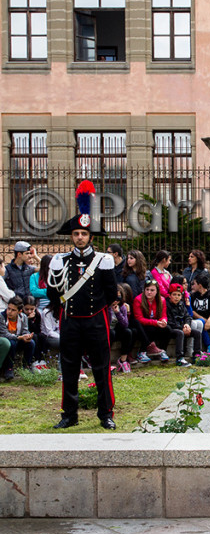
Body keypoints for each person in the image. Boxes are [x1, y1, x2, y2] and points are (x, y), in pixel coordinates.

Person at [46, 181, 118, 429]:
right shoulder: (59, 261)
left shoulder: (104, 261)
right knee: (69, 369)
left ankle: (106, 414)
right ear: (72, 236)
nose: (79, 237)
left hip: (96, 321)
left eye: (83, 234)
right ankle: (69, 415)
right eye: (76, 234)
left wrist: (97, 311)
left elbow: (111, 294)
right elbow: (53, 294)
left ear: (90, 236)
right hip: (70, 322)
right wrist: (63, 313)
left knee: (101, 368)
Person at [132, 279, 171, 362]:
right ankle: (142, 352)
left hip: (155, 323)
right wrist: (156, 322)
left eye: (152, 290)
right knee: (150, 328)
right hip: (143, 325)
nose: (149, 292)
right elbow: (139, 318)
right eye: (147, 290)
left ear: (157, 291)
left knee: (167, 329)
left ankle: (162, 351)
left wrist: (164, 321)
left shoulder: (162, 300)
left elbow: (163, 315)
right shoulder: (138, 300)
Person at [0, 296, 36, 378]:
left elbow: (25, 330)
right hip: (8, 340)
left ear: (19, 311)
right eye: (8, 308)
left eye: (13, 310)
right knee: (11, 343)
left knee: (31, 343)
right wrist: (19, 337)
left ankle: (26, 367)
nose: (9, 312)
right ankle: (8, 368)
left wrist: (27, 336)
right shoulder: (2, 317)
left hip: (18, 339)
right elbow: (4, 334)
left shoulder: (23, 317)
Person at [190, 270, 210, 354]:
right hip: (200, 318)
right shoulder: (193, 296)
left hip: (209, 318)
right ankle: (209, 346)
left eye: (194, 284)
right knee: (201, 323)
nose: (193, 286)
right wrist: (203, 319)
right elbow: (192, 311)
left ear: (200, 285)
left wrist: (209, 320)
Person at [166, 283, 194, 366]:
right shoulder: (167, 306)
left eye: (178, 295)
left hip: (182, 327)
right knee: (180, 333)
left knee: (196, 332)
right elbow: (170, 321)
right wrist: (182, 328)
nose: (176, 297)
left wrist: (187, 325)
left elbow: (188, 316)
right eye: (174, 294)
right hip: (172, 329)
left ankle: (196, 355)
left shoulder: (181, 305)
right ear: (170, 295)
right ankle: (179, 358)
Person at [111, 283, 134, 373]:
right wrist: (110, 308)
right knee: (111, 333)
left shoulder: (122, 307)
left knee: (128, 332)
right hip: (107, 330)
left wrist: (117, 313)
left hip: (117, 329)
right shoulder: (105, 307)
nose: (116, 301)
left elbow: (125, 324)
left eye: (118, 298)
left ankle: (123, 360)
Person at [23, 296, 46, 366]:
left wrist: (32, 320)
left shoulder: (37, 315)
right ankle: (35, 359)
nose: (29, 311)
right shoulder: (22, 315)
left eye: (31, 309)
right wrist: (28, 319)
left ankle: (42, 359)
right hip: (25, 334)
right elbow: (25, 328)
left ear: (35, 307)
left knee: (42, 336)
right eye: (26, 309)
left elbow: (37, 329)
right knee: (34, 337)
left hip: (34, 332)